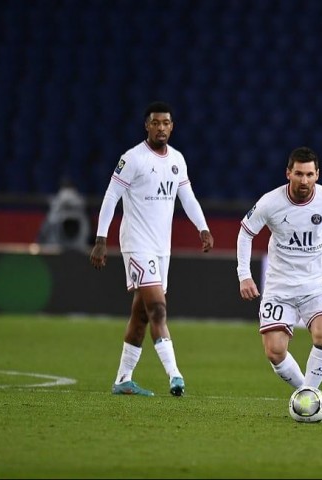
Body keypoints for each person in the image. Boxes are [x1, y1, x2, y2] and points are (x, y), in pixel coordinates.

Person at [90, 101, 214, 397]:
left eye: (166, 123)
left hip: (161, 248)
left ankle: (123, 379)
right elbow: (111, 197)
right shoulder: (132, 159)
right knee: (158, 307)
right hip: (136, 244)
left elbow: (188, 197)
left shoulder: (178, 160)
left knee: (141, 315)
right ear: (147, 126)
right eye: (156, 123)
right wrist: (100, 239)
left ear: (172, 126)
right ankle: (175, 375)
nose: (161, 128)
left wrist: (204, 227)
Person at [236, 146, 322, 393]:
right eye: (299, 174)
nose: (304, 180)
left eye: (310, 175)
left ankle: (308, 397)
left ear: (317, 175)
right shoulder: (270, 202)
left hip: (316, 284)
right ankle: (306, 392)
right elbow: (245, 234)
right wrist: (244, 275)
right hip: (279, 286)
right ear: (288, 173)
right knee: (275, 350)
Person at [37, 176, 90, 251]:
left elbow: (42, 234)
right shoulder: (55, 206)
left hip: (77, 247)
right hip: (57, 247)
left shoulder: (80, 205)